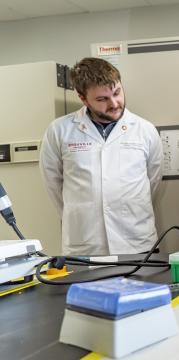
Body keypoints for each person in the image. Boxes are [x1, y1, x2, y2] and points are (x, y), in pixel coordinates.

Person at [40, 57, 162, 255]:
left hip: (136, 243)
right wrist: (84, 212)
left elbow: (153, 182)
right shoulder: (59, 131)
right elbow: (53, 185)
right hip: (85, 245)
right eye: (102, 99)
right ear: (83, 98)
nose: (114, 103)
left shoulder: (145, 130)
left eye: (117, 93)